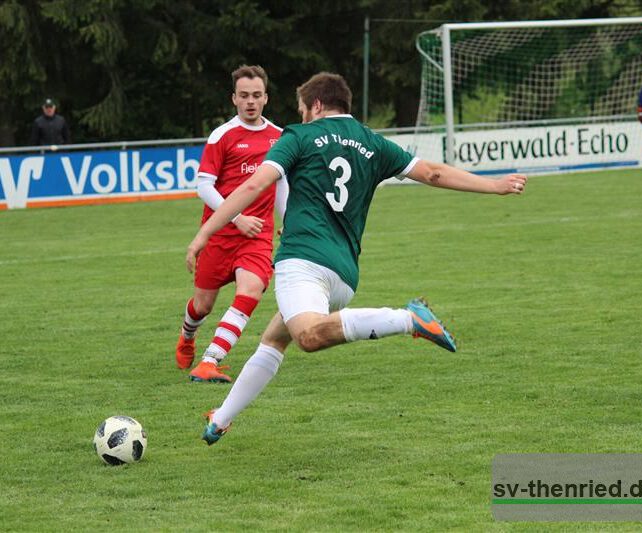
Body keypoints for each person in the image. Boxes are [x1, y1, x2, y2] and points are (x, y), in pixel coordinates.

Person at [185, 72, 527, 444]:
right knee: (275, 337)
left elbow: (254, 185)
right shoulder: (372, 141)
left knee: (309, 336)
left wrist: (204, 233)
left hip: (302, 261)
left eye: (302, 109)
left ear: (315, 105)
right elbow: (433, 172)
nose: (300, 117)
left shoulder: (299, 136)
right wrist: (494, 185)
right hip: (344, 275)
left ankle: (408, 318)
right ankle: (221, 418)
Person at [176, 65, 288, 383]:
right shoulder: (222, 136)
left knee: (251, 289)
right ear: (234, 99)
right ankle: (187, 337)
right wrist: (236, 218)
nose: (250, 101)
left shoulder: (279, 137)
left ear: (265, 98)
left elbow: (281, 184)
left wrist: (288, 221)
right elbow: (204, 187)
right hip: (221, 234)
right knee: (202, 305)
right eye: (244, 96)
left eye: (256, 95)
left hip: (257, 235)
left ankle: (211, 360)